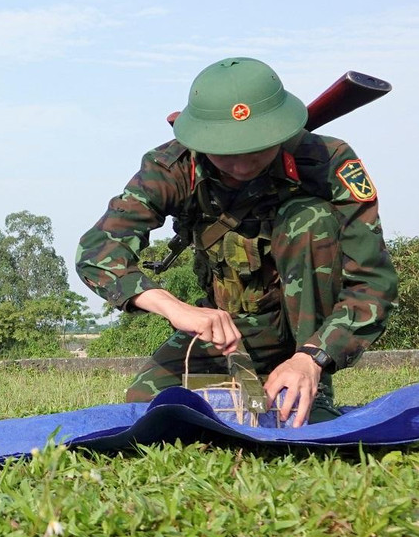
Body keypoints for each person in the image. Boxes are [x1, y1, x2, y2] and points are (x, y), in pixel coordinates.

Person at [76, 57, 397, 426]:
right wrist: (175, 308)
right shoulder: (172, 168)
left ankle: (311, 389)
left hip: (307, 335)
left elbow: (373, 282)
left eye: (258, 149)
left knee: (308, 219)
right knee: (150, 405)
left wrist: (312, 358)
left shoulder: (327, 161)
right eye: (227, 153)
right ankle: (262, 386)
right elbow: (98, 251)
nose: (243, 166)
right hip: (228, 327)